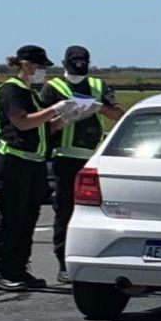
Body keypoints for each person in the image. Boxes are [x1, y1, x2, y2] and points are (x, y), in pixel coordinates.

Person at [0, 45, 76, 292]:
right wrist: (53, 110)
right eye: (40, 67)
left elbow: (42, 129)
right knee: (11, 218)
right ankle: (4, 272)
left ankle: (20, 269)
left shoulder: (31, 93)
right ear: (26, 65)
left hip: (33, 162)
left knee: (28, 218)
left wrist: (66, 118)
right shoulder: (11, 90)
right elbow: (21, 122)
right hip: (13, 162)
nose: (43, 72)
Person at [38, 45, 125, 283]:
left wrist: (99, 108)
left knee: (95, 212)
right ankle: (63, 262)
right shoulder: (52, 88)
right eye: (75, 62)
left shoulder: (98, 86)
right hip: (64, 158)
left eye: (83, 61)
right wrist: (64, 118)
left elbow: (119, 115)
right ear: (65, 63)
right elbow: (42, 125)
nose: (79, 66)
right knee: (65, 211)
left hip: (91, 158)